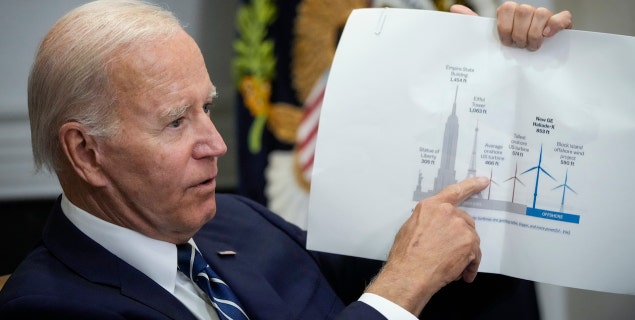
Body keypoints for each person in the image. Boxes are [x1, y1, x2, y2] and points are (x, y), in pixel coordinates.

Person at [0, 0, 572, 319]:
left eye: (207, 109)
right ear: (86, 153)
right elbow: (397, 287)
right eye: (176, 121)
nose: (216, 144)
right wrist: (399, 288)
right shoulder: (49, 308)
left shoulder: (238, 219)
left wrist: (490, 82)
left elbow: (434, 278)